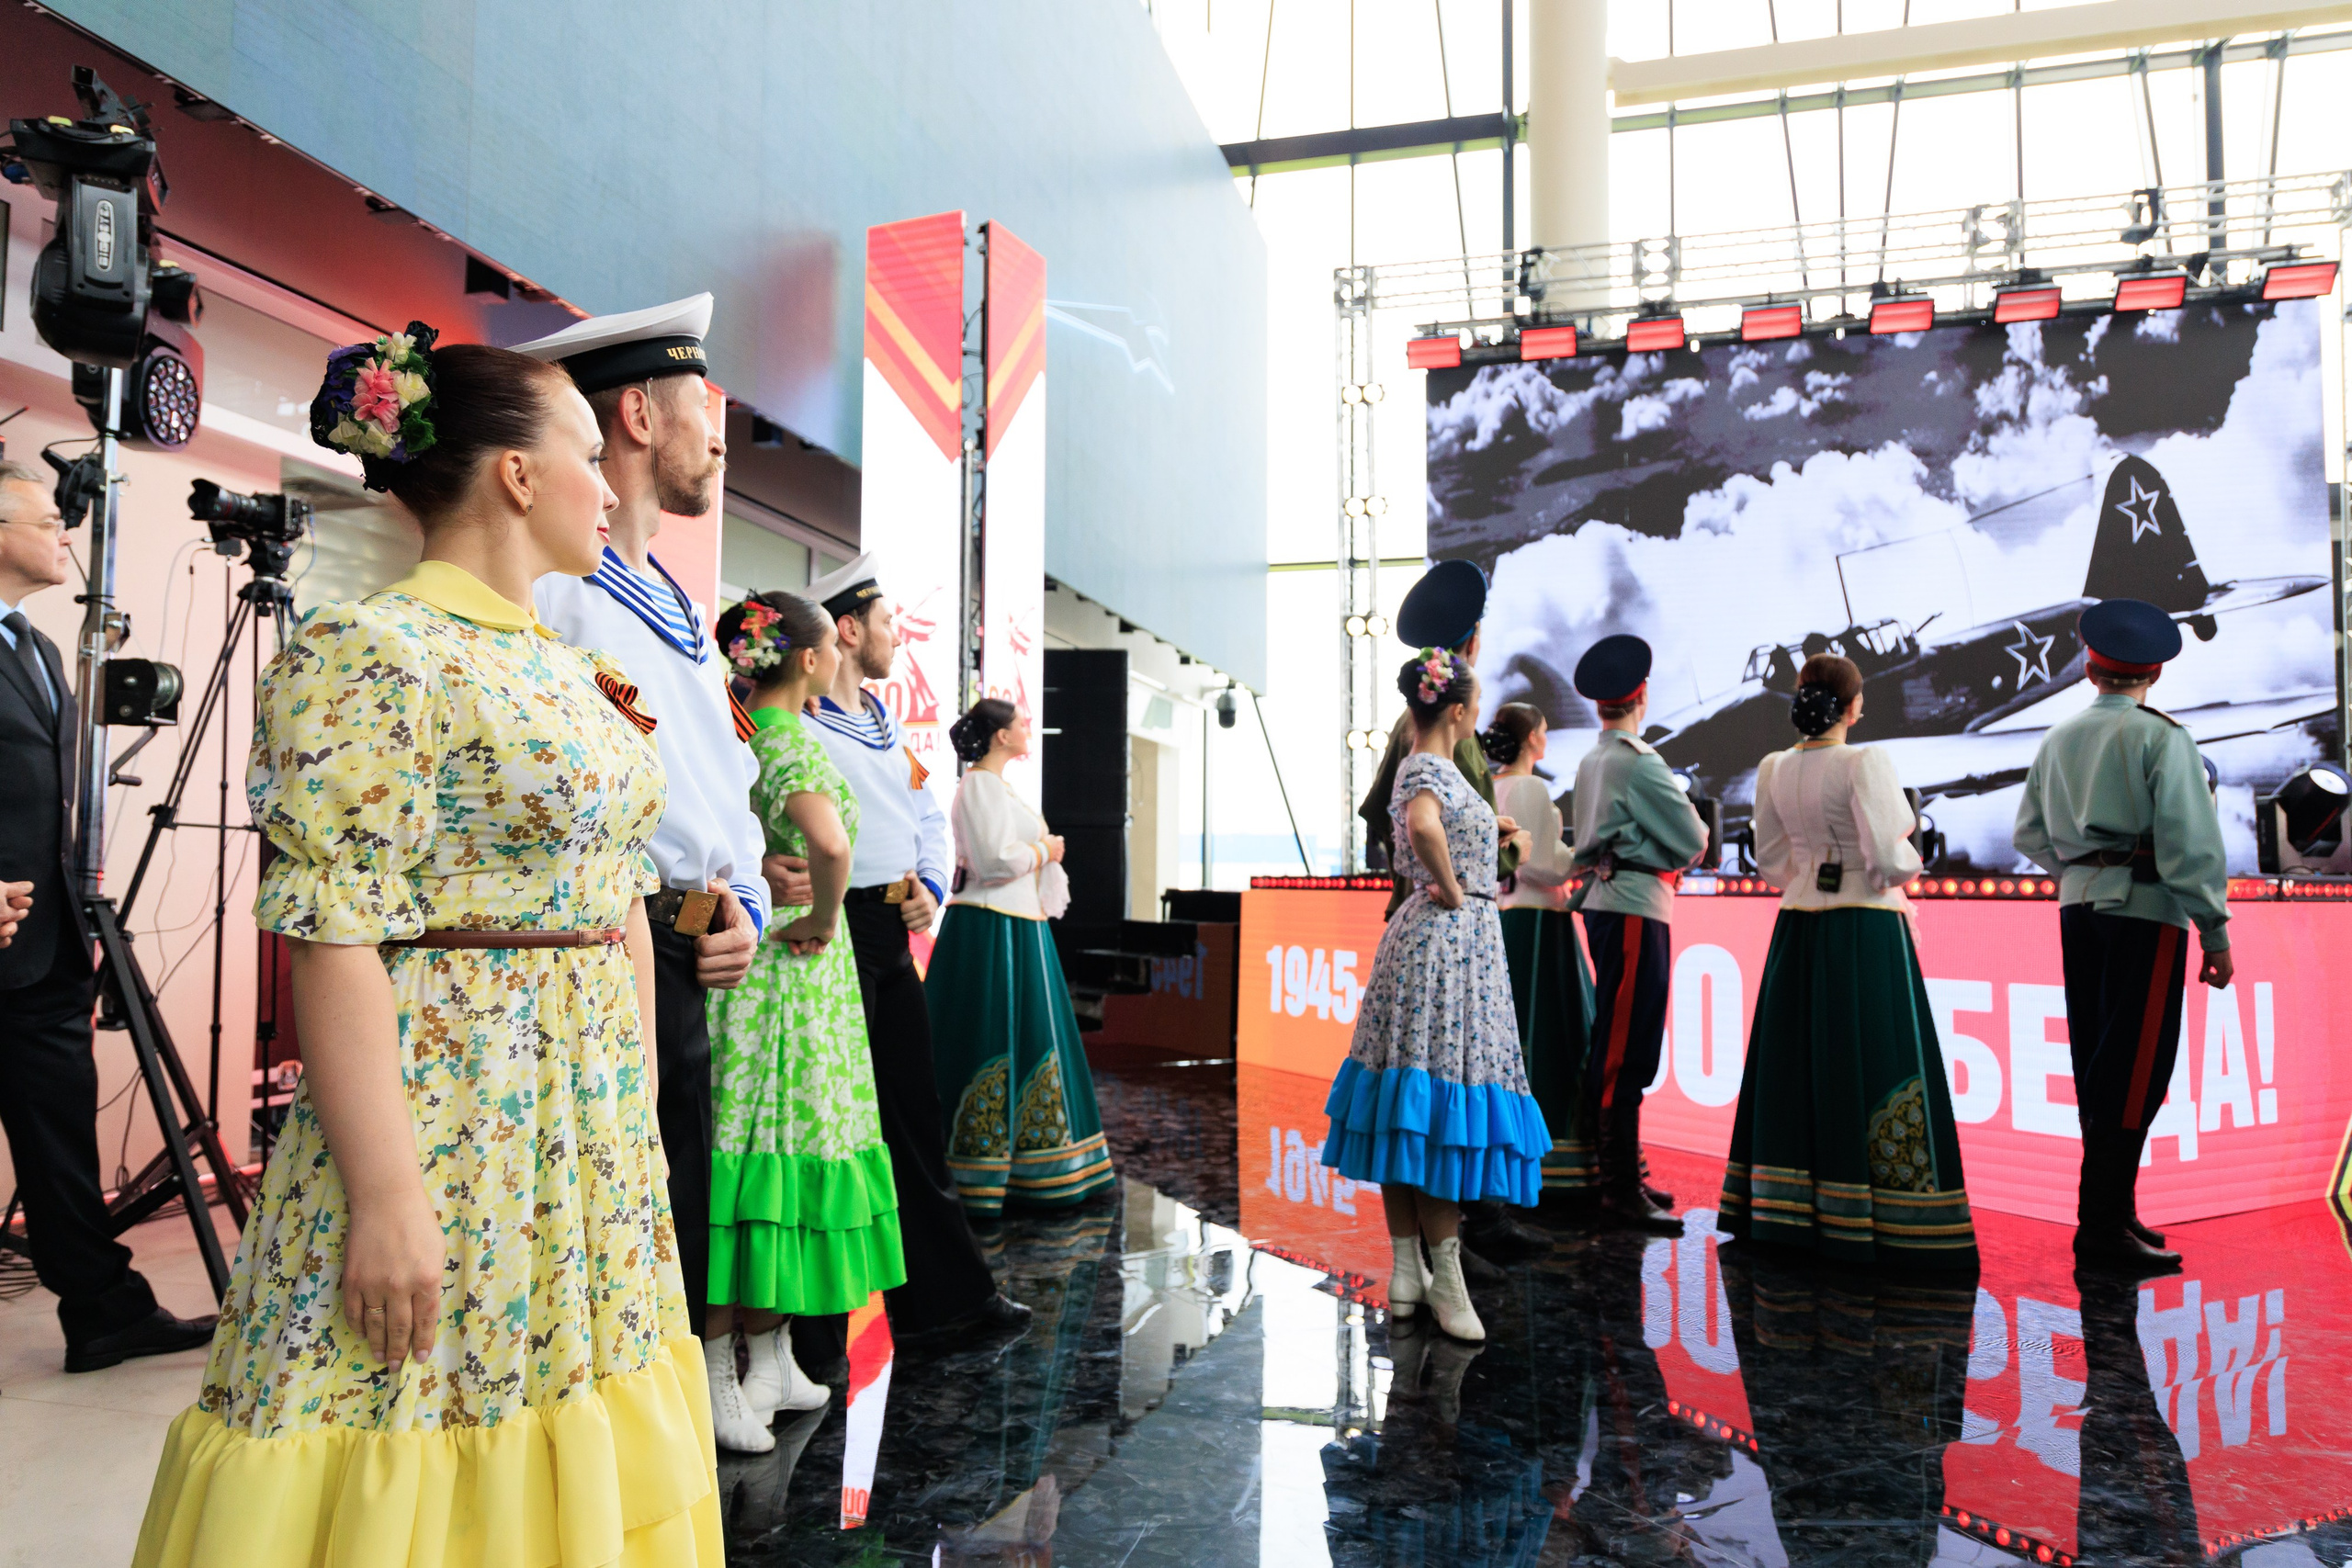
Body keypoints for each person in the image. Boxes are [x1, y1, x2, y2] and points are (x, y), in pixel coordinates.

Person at [135, 328, 719, 1563]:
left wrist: (638, 1123)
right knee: (410, 1394)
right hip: (454, 1113)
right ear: (516, 474)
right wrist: (389, 1195)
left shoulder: (573, 666)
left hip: (584, 1135)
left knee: (570, 1393)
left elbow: (616, 889)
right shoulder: (372, 651)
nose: (606, 485)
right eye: (585, 455)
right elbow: (336, 933)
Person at [515, 295, 766, 1332]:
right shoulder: (555, 592)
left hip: (690, 935)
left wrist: (746, 900)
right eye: (700, 409)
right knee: (622, 1211)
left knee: (680, 1195)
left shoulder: (669, 597)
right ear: (637, 415)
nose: (718, 437)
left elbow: (723, 778)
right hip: (607, 936)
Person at [0, 460, 214, 1373]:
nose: (66, 533)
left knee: (61, 1140)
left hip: (44, 943)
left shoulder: (38, 651)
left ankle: (103, 1311)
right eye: (46, 519)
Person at [786, 553, 1029, 1336]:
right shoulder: (798, 719)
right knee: (828, 1125)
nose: (898, 635)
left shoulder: (888, 726)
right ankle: (815, 1333)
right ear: (848, 630)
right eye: (888, 622)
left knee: (915, 1116)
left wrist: (929, 880)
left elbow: (926, 815)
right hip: (829, 929)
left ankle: (946, 1302)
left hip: (889, 931)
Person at [701, 590, 903, 1453]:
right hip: (789, 976)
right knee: (766, 1148)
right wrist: (824, 915)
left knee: (764, 1153)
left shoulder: (744, 732)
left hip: (773, 973)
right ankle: (728, 1364)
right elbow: (830, 843)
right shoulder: (788, 741)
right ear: (813, 658)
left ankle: (772, 1356)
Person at [1715, 655, 1978, 1271]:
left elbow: (1772, 860)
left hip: (1799, 920)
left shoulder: (1773, 767)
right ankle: (1883, 1215)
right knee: (1873, 1055)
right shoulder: (1866, 762)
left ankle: (1788, 1210)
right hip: (1865, 923)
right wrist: (1901, 865)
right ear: (1854, 707)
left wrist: (1811, 872)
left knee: (1796, 1059)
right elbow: (1892, 858)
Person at [1320, 649, 1548, 1344]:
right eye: (1473, 705)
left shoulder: (1424, 762)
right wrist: (1451, 885)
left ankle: (1406, 1271)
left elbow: (1432, 822)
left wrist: (1485, 838)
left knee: (1407, 1106)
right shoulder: (1429, 766)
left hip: (1435, 943)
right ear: (1455, 710)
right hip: (1449, 944)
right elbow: (1422, 824)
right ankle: (1445, 1278)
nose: (1477, 716)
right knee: (1438, 1105)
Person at [2014, 597, 2231, 1276]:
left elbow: (2029, 834)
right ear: (2154, 674)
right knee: (2137, 1069)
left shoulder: (2058, 737)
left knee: (2098, 1061)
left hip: (2079, 909)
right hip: (2144, 911)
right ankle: (2102, 1227)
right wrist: (2215, 931)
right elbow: (2191, 844)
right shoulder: (2163, 738)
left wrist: (2081, 872)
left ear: (2089, 667)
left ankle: (2115, 1211)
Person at [1358, 559, 1550, 1269]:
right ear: (1470, 643)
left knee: (1430, 1072)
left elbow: (1383, 817)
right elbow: (1439, 830)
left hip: (1419, 913)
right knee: (1454, 1071)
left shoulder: (1410, 732)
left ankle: (1447, 1239)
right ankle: (1460, 1237)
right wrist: (1491, 860)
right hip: (1452, 923)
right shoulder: (1448, 741)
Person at [924, 696, 1115, 1216]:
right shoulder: (980, 785)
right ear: (1001, 735)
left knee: (1027, 1033)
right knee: (992, 1036)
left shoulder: (998, 786)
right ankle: (983, 1168)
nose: (1029, 727)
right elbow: (993, 861)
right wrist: (1046, 851)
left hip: (1017, 924)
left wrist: (1040, 854)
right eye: (1021, 722)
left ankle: (1032, 1163)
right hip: (992, 925)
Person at [1568, 634, 1706, 1235]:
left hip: (1614, 903)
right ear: (1642, 694)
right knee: (1625, 1049)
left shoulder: (1594, 759)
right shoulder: (1638, 761)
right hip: (1635, 907)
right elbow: (1694, 839)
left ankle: (1624, 1174)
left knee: (1622, 1042)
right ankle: (1620, 1185)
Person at [1482, 703, 1599, 1201]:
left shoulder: (1491, 786)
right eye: (1544, 729)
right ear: (1531, 737)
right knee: (1551, 1034)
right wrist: (1587, 857)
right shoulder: (1528, 787)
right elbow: (1543, 865)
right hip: (1539, 921)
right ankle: (1555, 1157)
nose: (1547, 737)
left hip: (1508, 916)